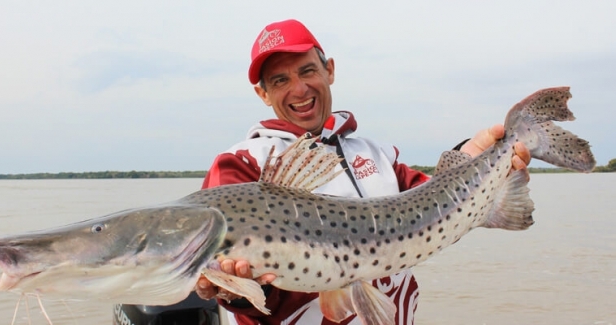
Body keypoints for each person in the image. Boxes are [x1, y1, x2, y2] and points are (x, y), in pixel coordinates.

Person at [194, 19, 530, 325]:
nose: (298, 89)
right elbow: (245, 291)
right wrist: (235, 290)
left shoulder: (375, 153)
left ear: (330, 71)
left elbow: (430, 199)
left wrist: (470, 156)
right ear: (262, 93)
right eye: (280, 80)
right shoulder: (240, 163)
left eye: (307, 71)